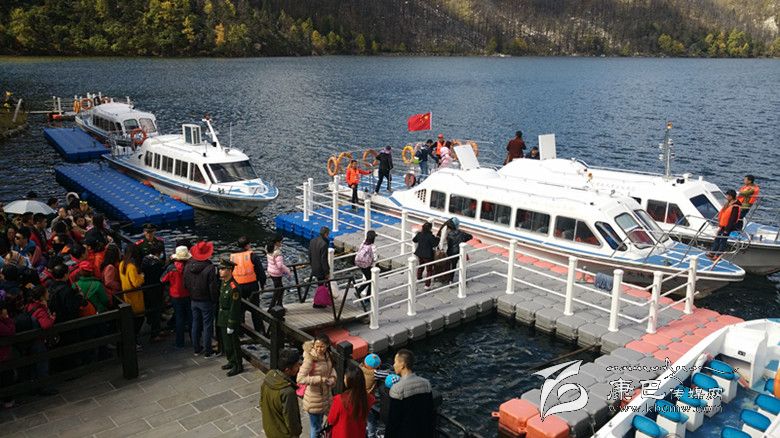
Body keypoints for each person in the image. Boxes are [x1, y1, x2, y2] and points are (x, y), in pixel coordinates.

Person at [386, 349, 434, 438]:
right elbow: (430, 413)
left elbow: (393, 421)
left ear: (402, 365)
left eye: (395, 362)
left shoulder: (397, 389)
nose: (393, 365)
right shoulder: (426, 383)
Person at [297, 334, 337, 438]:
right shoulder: (310, 358)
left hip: (325, 396)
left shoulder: (328, 355)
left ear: (327, 345)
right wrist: (319, 379)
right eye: (317, 346)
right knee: (315, 427)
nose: (319, 349)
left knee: (320, 424)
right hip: (314, 398)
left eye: (322, 346)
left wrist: (333, 379)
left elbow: (331, 369)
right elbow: (300, 379)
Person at [184, 241, 218, 358]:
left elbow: (185, 283)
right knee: (207, 325)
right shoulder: (210, 267)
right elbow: (212, 288)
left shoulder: (188, 265)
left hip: (193, 299)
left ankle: (196, 349)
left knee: (195, 323)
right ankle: (208, 351)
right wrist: (214, 300)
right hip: (206, 300)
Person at [260, 348, 303, 438]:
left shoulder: (269, 376)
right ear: (287, 369)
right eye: (296, 366)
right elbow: (291, 419)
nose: (298, 368)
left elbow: (261, 402)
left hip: (269, 428)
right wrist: (297, 432)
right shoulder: (288, 392)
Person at [135, 223, 166, 342]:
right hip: (147, 278)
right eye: (147, 232)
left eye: (151, 232)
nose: (149, 234)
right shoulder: (140, 245)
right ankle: (153, 325)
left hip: (157, 276)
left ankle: (156, 324)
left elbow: (163, 258)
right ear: (144, 232)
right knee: (151, 303)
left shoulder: (160, 243)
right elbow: (138, 263)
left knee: (157, 302)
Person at [326, 363, 374, 438]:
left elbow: (331, 420)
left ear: (349, 381)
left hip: (341, 434)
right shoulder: (369, 399)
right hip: (358, 434)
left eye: (345, 377)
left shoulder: (339, 400)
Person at [230, 236, 266, 332]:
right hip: (252, 286)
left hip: (238, 286)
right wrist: (262, 285)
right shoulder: (253, 256)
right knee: (255, 308)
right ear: (247, 245)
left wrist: (232, 286)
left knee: (239, 308)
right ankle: (259, 330)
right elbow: (261, 273)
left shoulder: (232, 257)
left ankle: (240, 330)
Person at [216, 258, 243, 376]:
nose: (220, 271)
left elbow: (234, 307)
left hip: (230, 317)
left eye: (223, 269)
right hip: (223, 316)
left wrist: (231, 323)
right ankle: (231, 361)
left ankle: (238, 364)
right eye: (220, 269)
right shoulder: (224, 283)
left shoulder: (233, 287)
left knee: (233, 343)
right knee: (227, 343)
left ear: (230, 270)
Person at [161, 246, 192, 349]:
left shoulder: (171, 268)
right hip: (188, 294)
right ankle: (194, 340)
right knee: (191, 318)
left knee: (179, 319)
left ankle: (180, 343)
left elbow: (162, 279)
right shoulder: (189, 266)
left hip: (176, 296)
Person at [120, 244, 145, 350]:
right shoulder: (132, 267)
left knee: (132, 320)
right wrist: (141, 277)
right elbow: (135, 283)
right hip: (135, 297)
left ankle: (132, 341)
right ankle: (133, 342)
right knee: (139, 318)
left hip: (126, 295)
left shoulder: (122, 264)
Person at [709, 189, 741, 258]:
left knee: (723, 241)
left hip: (727, 227)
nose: (726, 197)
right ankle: (712, 252)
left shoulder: (735, 207)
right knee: (717, 239)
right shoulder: (728, 204)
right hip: (723, 225)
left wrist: (727, 229)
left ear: (731, 196)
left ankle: (718, 254)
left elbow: (732, 219)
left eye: (727, 196)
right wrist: (720, 225)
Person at [266, 235, 292, 309]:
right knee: (279, 290)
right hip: (277, 273)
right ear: (277, 242)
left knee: (279, 289)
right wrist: (287, 270)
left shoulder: (268, 248)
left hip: (271, 272)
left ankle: (279, 305)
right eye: (280, 242)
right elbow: (280, 266)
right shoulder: (277, 252)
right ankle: (272, 306)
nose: (281, 243)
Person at [361, 354, 382, 438]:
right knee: (370, 419)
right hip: (366, 399)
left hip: (358, 396)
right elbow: (386, 374)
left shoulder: (360, 368)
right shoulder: (375, 374)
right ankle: (371, 435)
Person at [413, 222, 437, 290]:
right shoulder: (430, 236)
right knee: (429, 270)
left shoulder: (419, 234)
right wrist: (437, 238)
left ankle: (419, 278)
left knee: (421, 266)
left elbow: (414, 240)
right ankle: (427, 285)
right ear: (430, 228)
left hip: (420, 253)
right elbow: (435, 244)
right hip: (428, 255)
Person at [354, 230, 378, 298]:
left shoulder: (363, 243)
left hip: (360, 263)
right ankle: (366, 297)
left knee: (369, 279)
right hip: (367, 265)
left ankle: (360, 292)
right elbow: (375, 258)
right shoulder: (373, 246)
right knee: (371, 280)